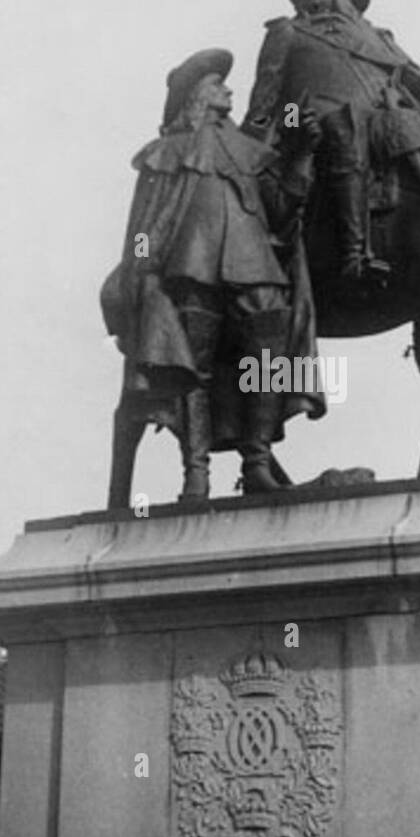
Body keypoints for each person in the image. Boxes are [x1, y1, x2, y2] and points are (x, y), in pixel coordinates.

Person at [101, 48, 323, 503]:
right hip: (190, 269)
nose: (229, 90)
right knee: (191, 370)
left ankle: (257, 463)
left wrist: (300, 155)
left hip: (255, 267)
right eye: (219, 85)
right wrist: (141, 274)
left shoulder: (251, 152)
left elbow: (282, 213)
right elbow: (144, 225)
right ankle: (195, 476)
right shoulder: (165, 153)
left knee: (268, 359)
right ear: (197, 95)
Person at [242, 0, 420, 281]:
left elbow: (419, 82)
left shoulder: (378, 36)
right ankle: (355, 253)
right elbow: (267, 100)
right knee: (346, 126)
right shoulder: (287, 31)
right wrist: (260, 141)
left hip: (382, 119)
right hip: (303, 119)